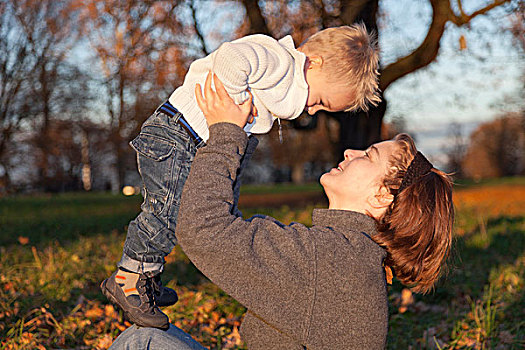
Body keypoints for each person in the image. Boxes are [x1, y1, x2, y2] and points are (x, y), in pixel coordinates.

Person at [108, 74, 454, 349]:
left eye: (368, 156)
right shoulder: (348, 254)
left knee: (143, 343)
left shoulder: (332, 257)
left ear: (382, 197)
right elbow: (226, 228)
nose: (350, 151)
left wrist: (226, 133)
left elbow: (204, 230)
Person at [101, 24, 381, 330]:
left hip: (191, 143)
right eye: (320, 101)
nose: (311, 111)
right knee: (168, 211)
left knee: (201, 210)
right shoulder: (278, 61)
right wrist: (231, 105)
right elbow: (231, 57)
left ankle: (149, 274)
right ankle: (130, 276)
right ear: (314, 63)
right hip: (176, 135)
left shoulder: (281, 78)